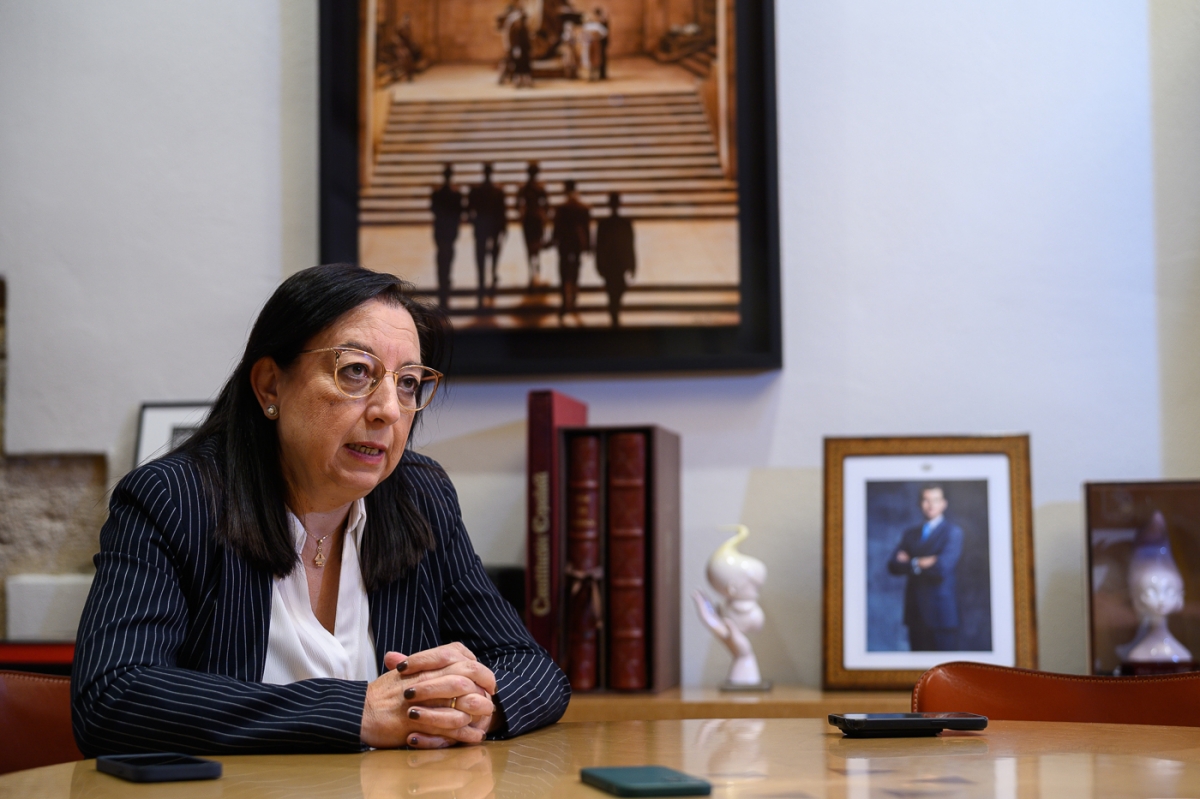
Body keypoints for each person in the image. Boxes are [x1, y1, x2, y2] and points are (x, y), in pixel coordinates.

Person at [71, 265, 571, 755]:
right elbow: (113, 696)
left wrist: (480, 704)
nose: (389, 410)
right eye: (356, 371)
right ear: (270, 386)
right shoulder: (173, 498)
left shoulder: (420, 496)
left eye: (408, 382)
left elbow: (529, 666)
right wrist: (359, 711)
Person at [886, 484, 963, 651]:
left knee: (942, 672)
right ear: (920, 503)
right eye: (926, 500)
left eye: (935, 500)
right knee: (917, 672)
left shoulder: (953, 532)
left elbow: (941, 569)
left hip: (940, 615)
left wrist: (910, 561)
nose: (931, 505)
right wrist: (920, 561)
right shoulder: (910, 534)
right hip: (915, 614)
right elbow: (893, 566)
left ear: (944, 504)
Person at [467, 163, 508, 306]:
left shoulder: (476, 191)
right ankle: (492, 277)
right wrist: (504, 228)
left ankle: (482, 281)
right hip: (494, 226)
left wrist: (475, 222)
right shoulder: (498, 191)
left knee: (480, 256)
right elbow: (503, 213)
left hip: (481, 226)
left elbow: (469, 211)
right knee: (494, 254)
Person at [551, 179, 591, 318]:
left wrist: (553, 240)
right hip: (576, 243)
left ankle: (564, 301)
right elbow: (586, 228)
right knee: (575, 269)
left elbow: (556, 228)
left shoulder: (561, 208)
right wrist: (588, 245)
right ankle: (573, 296)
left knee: (563, 271)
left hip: (564, 243)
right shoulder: (582, 207)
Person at [594, 191, 635, 326]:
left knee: (613, 291)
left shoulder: (603, 225)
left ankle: (614, 314)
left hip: (611, 263)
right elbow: (630, 246)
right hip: (618, 263)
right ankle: (614, 314)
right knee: (616, 291)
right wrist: (633, 265)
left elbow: (598, 247)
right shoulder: (625, 224)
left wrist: (599, 264)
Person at [430, 164, 464, 309]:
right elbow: (459, 212)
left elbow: (433, 209)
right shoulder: (456, 194)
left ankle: (443, 285)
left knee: (441, 258)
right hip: (449, 232)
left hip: (441, 231)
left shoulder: (437, 193)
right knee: (448, 257)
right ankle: (445, 284)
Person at [515, 161, 551, 284]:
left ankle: (532, 270)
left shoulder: (524, 188)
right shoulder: (540, 188)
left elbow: (517, 205)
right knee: (537, 244)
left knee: (529, 245)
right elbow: (547, 206)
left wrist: (522, 214)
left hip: (529, 218)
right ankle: (536, 268)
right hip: (537, 218)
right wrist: (543, 215)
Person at [592, 6, 610, 79]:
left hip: (601, 42)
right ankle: (601, 73)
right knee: (600, 58)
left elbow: (604, 32)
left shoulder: (602, 20)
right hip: (600, 42)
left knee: (602, 58)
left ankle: (602, 74)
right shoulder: (601, 20)